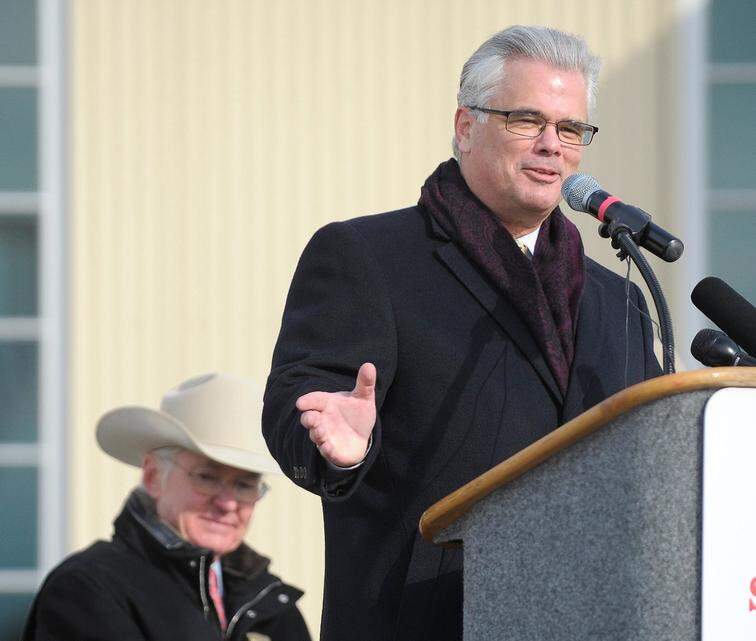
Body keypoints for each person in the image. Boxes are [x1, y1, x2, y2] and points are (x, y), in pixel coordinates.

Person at [262, 25, 663, 641]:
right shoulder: (369, 257)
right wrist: (338, 445)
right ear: (466, 125)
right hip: (426, 617)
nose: (552, 145)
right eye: (526, 120)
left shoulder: (620, 301)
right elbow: (302, 401)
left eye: (570, 129)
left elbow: (658, 457)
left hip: (591, 616)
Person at [23, 373, 311, 641]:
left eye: (244, 485)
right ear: (152, 477)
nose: (227, 503)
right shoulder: (87, 588)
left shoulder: (273, 607)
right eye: (207, 478)